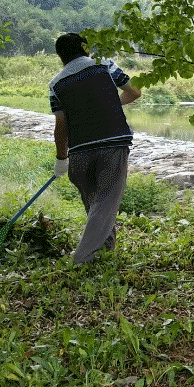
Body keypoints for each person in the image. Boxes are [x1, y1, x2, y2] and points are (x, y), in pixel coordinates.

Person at [50, 32, 141, 264]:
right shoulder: (104, 64)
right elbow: (134, 92)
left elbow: (61, 127)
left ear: (60, 56)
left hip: (79, 152)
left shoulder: (56, 84)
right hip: (112, 145)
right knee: (104, 204)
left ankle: (105, 250)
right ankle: (83, 258)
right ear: (85, 47)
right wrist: (111, 101)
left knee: (95, 205)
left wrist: (61, 160)